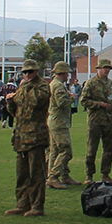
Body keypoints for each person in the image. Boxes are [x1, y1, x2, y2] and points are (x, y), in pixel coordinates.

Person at [7, 60, 50, 216]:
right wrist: (10, 102)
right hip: (21, 135)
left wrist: (21, 92)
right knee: (22, 174)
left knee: (36, 174)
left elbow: (34, 102)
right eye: (24, 72)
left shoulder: (42, 87)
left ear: (36, 71)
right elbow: (17, 112)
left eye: (29, 72)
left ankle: (37, 206)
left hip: (36, 136)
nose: (26, 75)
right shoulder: (23, 87)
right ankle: (23, 203)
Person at [81, 57, 112, 182]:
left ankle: (105, 174)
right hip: (95, 120)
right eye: (104, 68)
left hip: (109, 120)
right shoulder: (91, 84)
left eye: (108, 68)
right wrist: (100, 104)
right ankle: (89, 175)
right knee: (91, 149)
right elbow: (84, 101)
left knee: (109, 149)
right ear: (98, 69)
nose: (106, 70)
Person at [45, 61, 76, 189]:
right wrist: (72, 97)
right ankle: (53, 176)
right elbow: (62, 102)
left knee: (55, 151)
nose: (68, 76)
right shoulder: (57, 86)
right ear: (62, 73)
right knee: (66, 150)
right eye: (67, 73)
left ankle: (62, 176)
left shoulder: (55, 84)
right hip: (59, 123)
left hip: (55, 121)